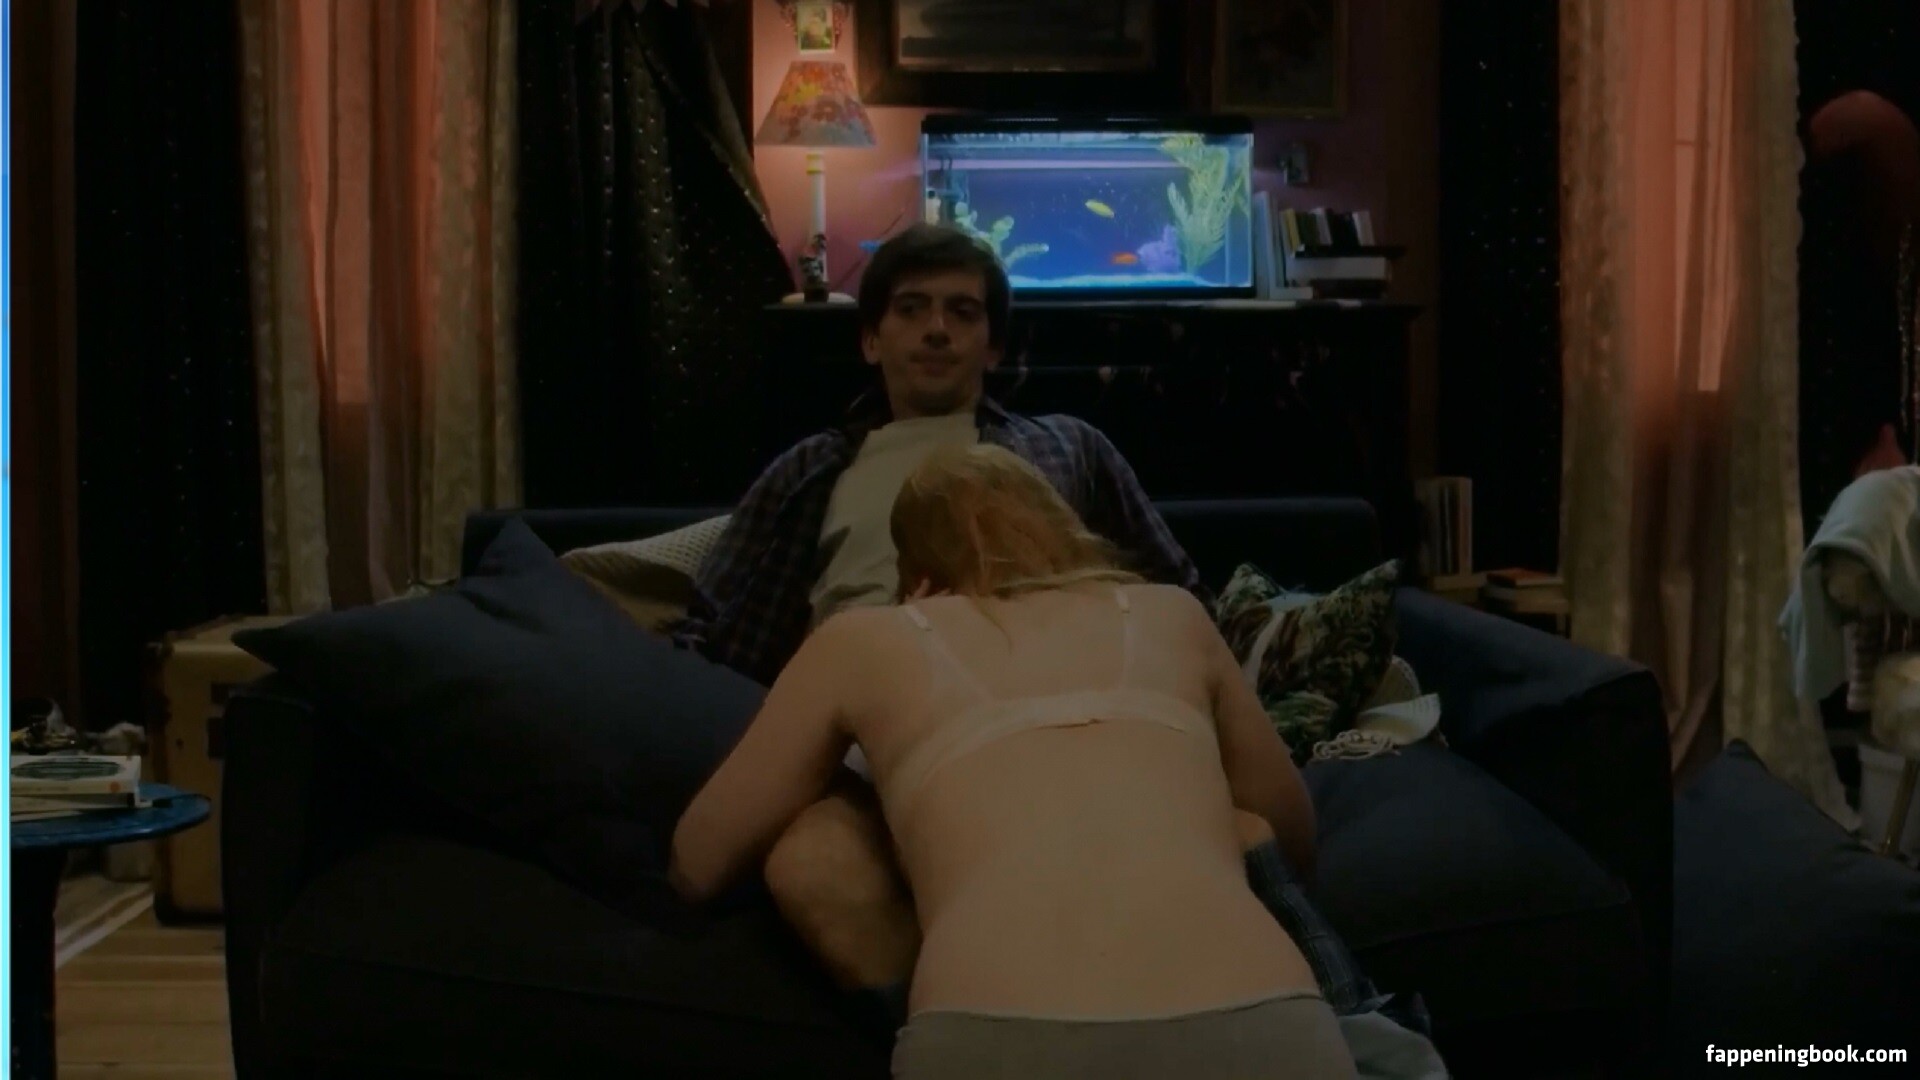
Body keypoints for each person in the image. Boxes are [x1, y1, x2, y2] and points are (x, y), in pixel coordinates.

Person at [670, 442, 1358, 1078]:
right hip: (1269, 1030)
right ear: (1066, 530)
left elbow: (698, 861)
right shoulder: (1172, 614)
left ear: (918, 578)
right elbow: (1290, 833)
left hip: (996, 1040)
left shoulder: (860, 640)